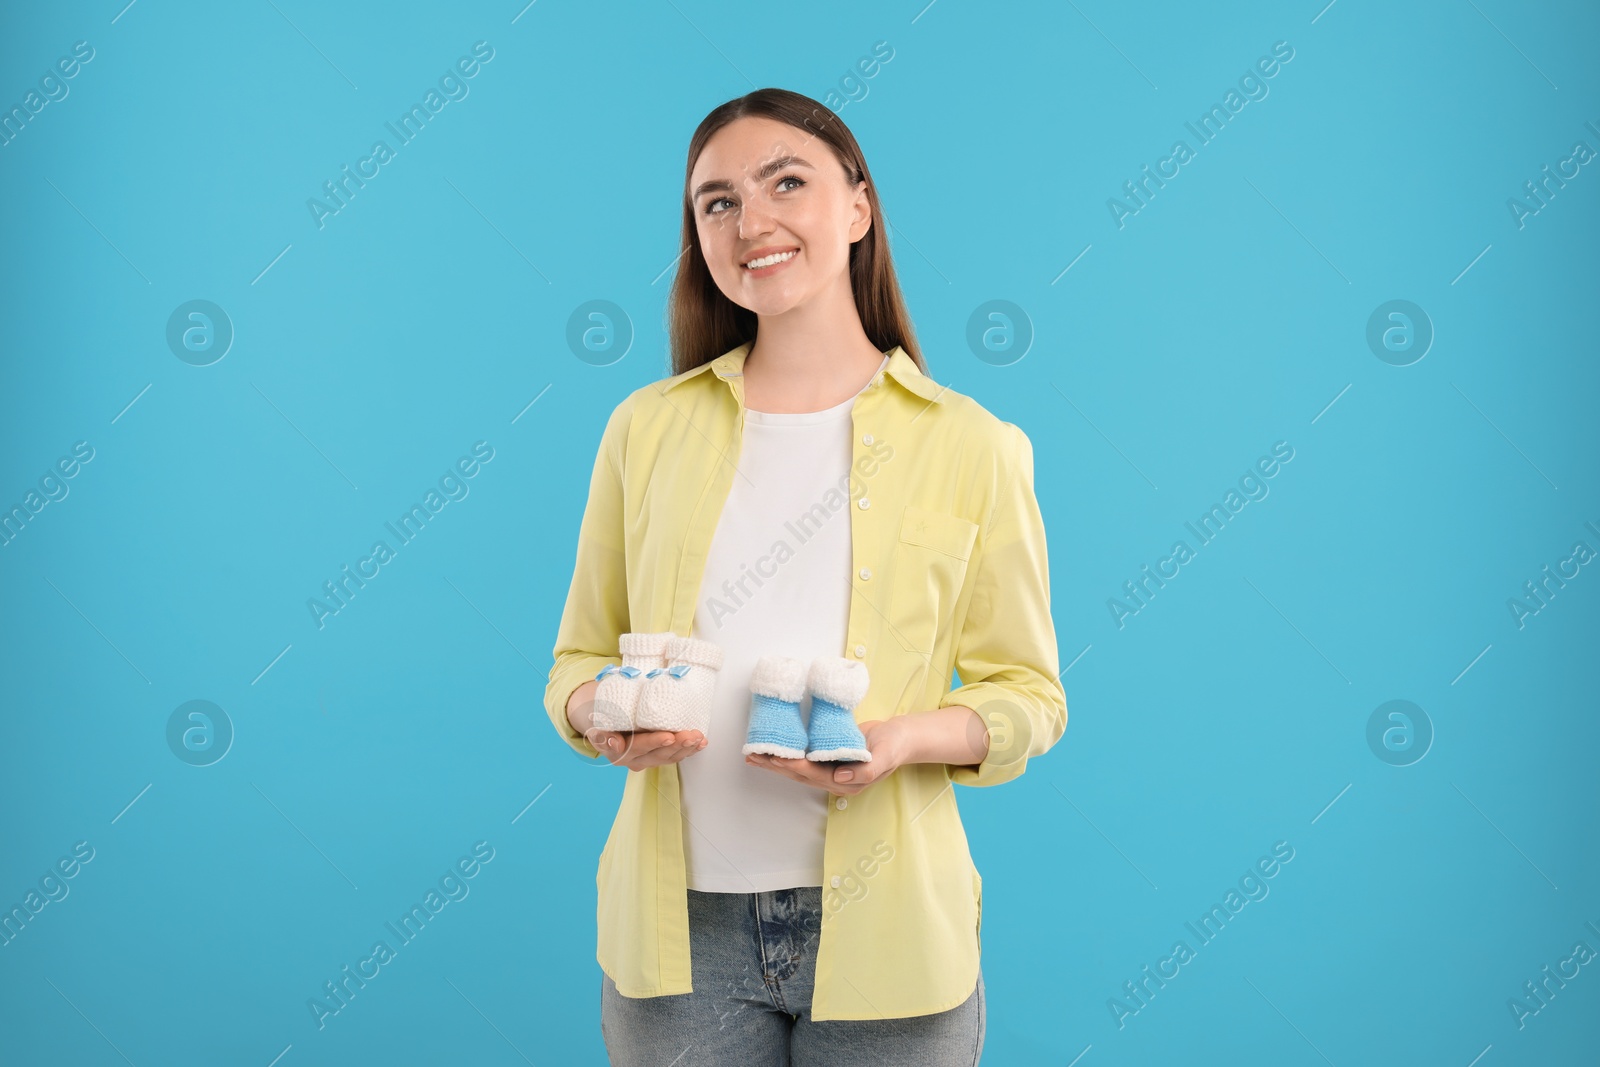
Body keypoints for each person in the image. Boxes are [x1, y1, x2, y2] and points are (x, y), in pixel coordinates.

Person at [543, 87, 1066, 1067]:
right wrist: (600, 710)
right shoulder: (643, 430)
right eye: (718, 201)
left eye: (788, 181)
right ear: (698, 234)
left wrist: (906, 736)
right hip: (675, 941)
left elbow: (1030, 695)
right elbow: (576, 656)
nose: (753, 221)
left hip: (893, 933)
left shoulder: (973, 444)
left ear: (859, 206)